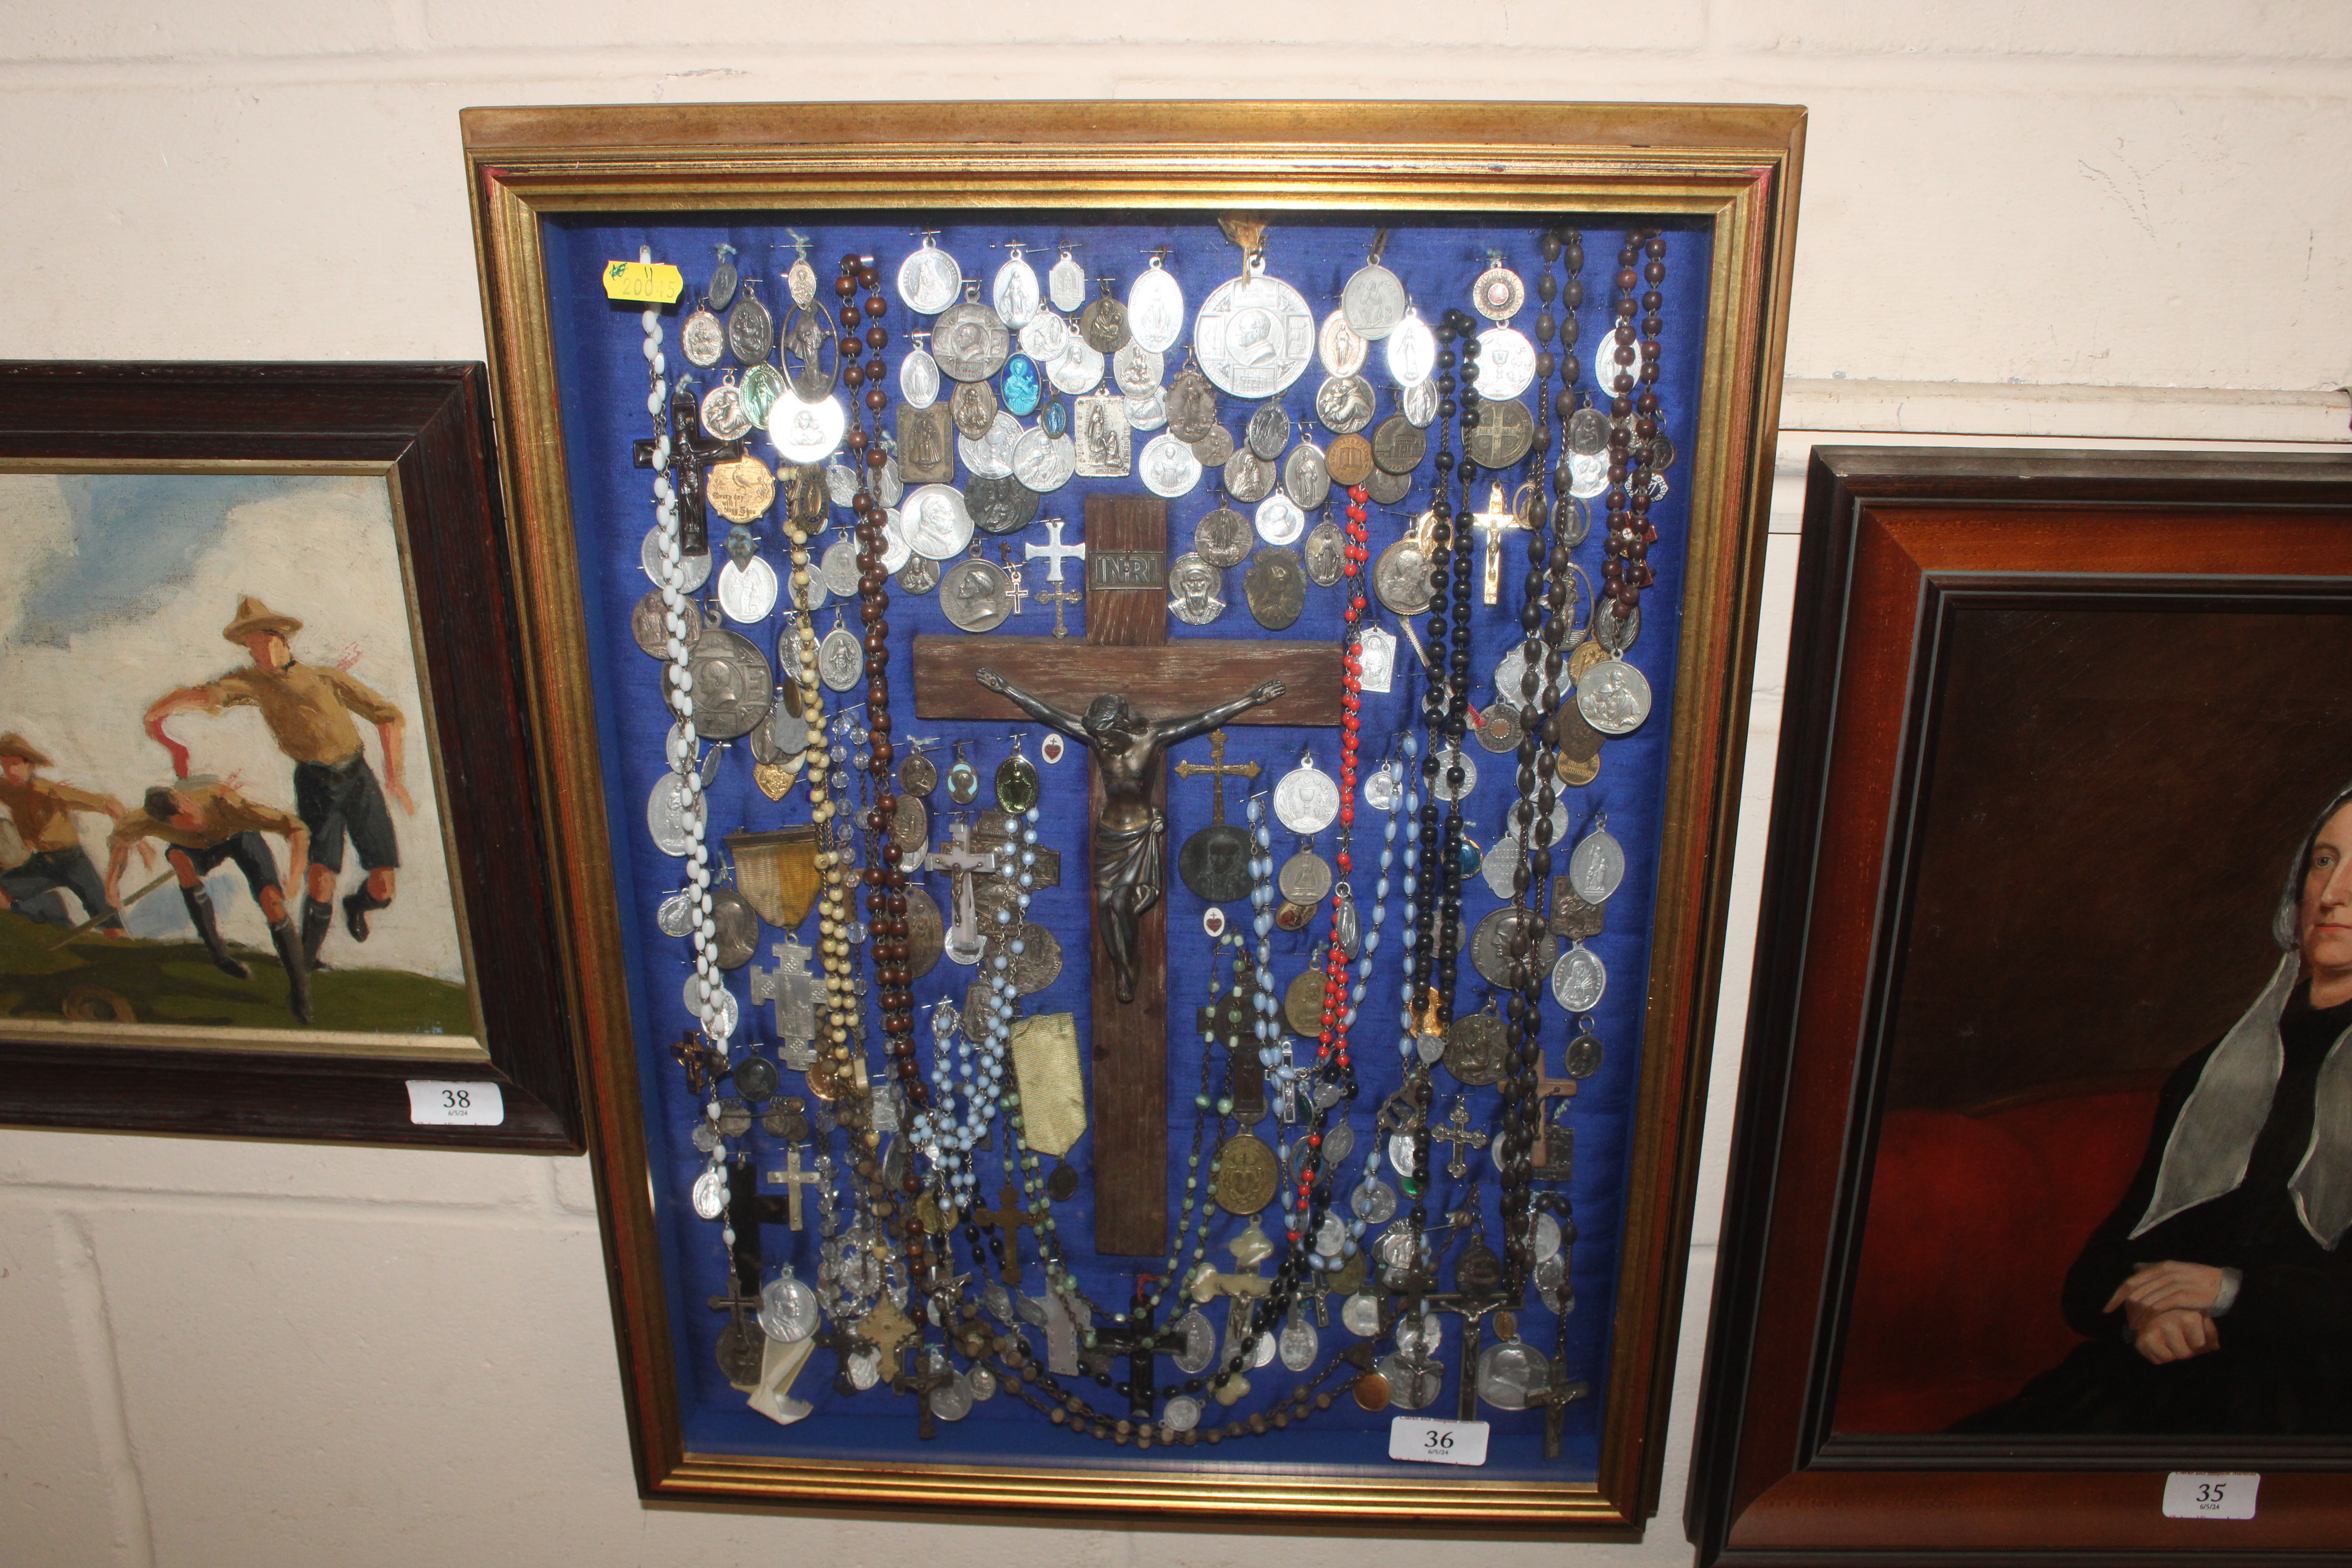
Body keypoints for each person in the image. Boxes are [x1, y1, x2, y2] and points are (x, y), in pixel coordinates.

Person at [1954, 780, 2352, 1435]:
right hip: (2169, 1376)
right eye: (2322, 860)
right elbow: (2094, 1278)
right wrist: (2149, 1311)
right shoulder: (2219, 1069)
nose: (2331, 894)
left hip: (2316, 1400)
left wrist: (2228, 1293)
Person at [973, 668, 1283, 1004]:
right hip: (1109, 833)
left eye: (1107, 736)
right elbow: (1050, 714)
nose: (1102, 743)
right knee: (1104, 903)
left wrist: (1253, 699)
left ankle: (1129, 964)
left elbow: (1205, 719)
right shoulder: (1098, 739)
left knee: (1123, 902)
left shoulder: (1151, 738)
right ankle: (1123, 966)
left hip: (1139, 834)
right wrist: (1006, 687)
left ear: (1121, 726)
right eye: (1098, 738)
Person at [142, 595, 415, 971]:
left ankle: (357, 905)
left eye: (264, 642)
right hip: (315, 782)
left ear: (283, 640)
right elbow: (208, 695)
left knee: (383, 887)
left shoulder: (325, 678)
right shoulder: (251, 682)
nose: (259, 652)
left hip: (357, 777)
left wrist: (394, 777)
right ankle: (307, 959)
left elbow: (389, 716)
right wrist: (164, 707)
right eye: (251, 646)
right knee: (322, 876)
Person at [105, 779, 311, 1023]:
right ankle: (219, 955)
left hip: (239, 838)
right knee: (178, 857)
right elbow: (121, 843)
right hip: (194, 849)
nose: (189, 811)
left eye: (187, 804)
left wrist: (297, 875)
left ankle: (301, 991)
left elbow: (295, 827)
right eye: (181, 815)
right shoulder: (144, 819)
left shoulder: (226, 805)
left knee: (273, 903)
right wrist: (111, 885)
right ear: (169, 822)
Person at [0, 732, 130, 933]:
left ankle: (125, 954)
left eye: (15, 764)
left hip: (73, 861)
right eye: (5, 765)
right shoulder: (6, 789)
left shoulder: (48, 790)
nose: (10, 771)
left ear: (30, 765)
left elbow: (101, 802)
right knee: (4, 890)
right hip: (43, 863)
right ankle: (50, 912)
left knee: (106, 917)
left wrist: (114, 812)